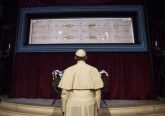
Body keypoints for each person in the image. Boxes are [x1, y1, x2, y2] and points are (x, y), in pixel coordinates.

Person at [58, 49, 104, 116]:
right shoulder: (93, 70)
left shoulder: (68, 70)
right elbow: (98, 92)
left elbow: (64, 93)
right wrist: (97, 107)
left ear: (75, 58)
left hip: (72, 103)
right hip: (90, 103)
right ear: (86, 57)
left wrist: (63, 108)